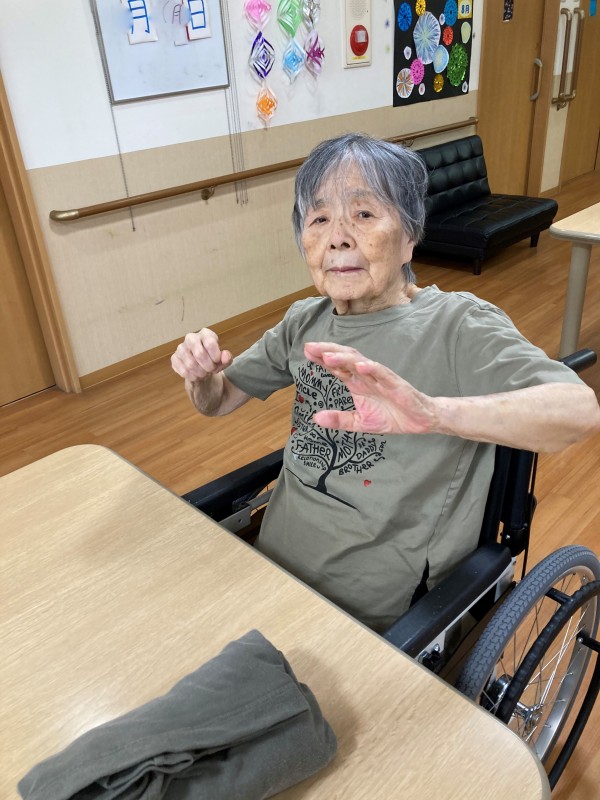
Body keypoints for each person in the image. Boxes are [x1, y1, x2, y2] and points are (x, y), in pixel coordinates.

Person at [171, 133, 600, 632]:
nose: (338, 237)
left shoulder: (457, 325)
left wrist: (434, 413)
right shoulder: (303, 321)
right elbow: (218, 400)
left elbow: (578, 411)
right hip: (268, 570)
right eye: (319, 219)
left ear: (409, 236)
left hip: (373, 615)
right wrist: (201, 378)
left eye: (364, 214)